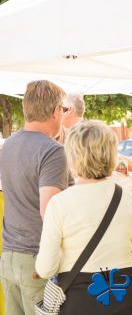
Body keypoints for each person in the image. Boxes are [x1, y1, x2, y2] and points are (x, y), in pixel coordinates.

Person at [36, 120, 132, 315]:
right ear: (112, 156)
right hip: (124, 300)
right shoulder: (128, 198)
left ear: (72, 158)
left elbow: (45, 269)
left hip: (78, 303)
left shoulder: (59, 203)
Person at [0, 80, 70, 315]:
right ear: (55, 111)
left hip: (9, 256)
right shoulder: (52, 150)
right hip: (37, 258)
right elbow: (49, 210)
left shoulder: (8, 145)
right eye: (64, 109)